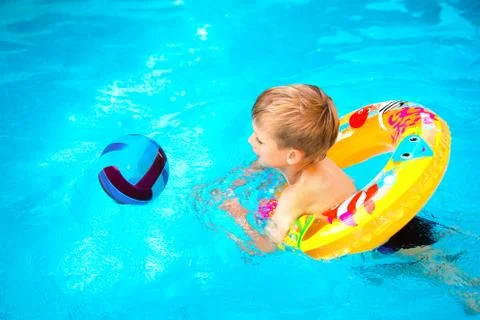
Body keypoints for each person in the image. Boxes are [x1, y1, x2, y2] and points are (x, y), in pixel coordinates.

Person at [216, 83, 479, 313]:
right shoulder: (321, 156)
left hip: (382, 240)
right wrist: (259, 164)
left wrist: (238, 215)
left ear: (292, 155)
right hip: (406, 221)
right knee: (451, 258)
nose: (251, 141)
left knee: (449, 277)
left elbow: (265, 248)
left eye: (260, 141)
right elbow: (276, 162)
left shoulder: (294, 197)